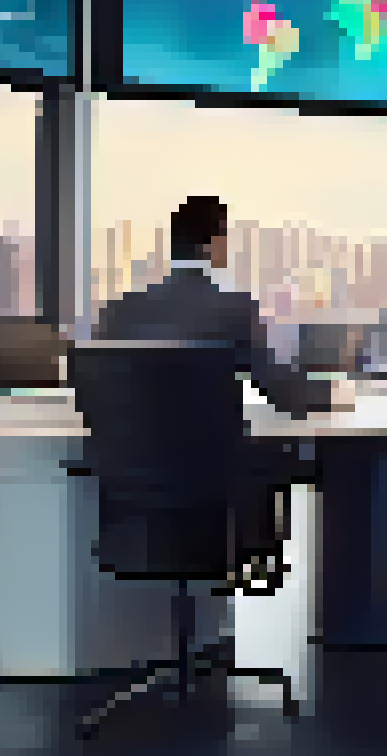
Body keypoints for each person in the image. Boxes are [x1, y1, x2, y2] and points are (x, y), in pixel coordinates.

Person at [93, 196, 322, 570]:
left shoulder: (119, 310)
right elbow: (283, 396)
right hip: (217, 492)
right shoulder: (234, 309)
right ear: (214, 243)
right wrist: (329, 393)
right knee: (297, 457)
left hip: (133, 498)